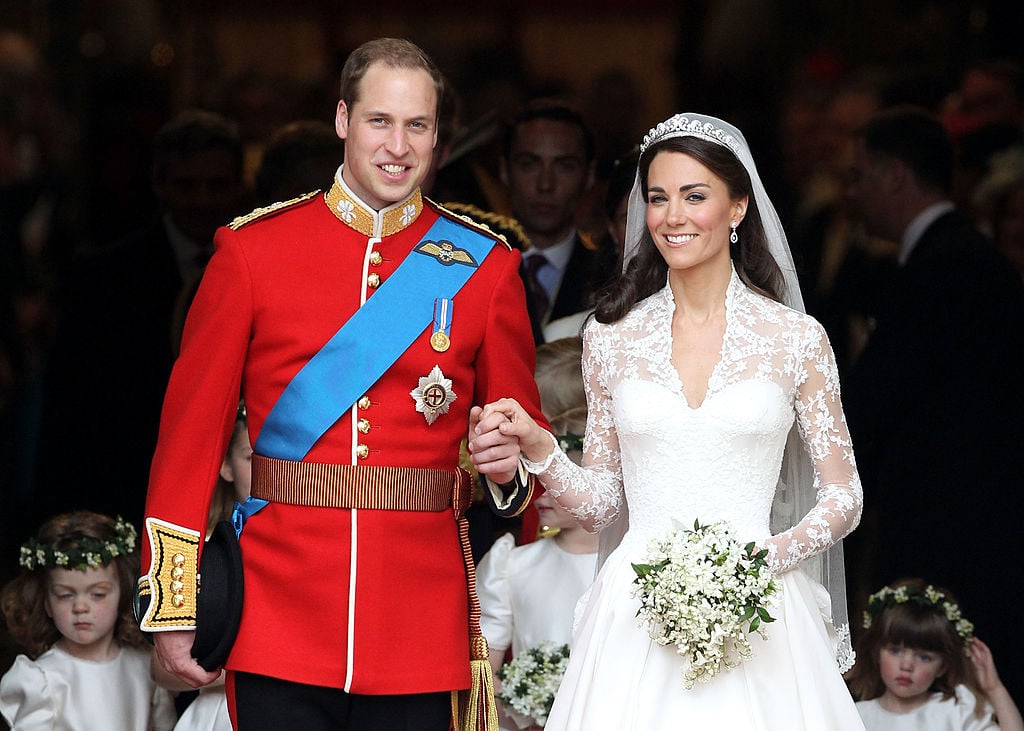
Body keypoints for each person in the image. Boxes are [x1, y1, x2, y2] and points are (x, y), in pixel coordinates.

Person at [136, 37, 545, 731]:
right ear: (342, 120)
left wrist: (508, 472)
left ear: (438, 137)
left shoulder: (486, 268)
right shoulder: (252, 252)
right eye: (379, 121)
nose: (398, 145)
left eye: (417, 125)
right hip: (277, 616)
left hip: (420, 623)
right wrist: (174, 606)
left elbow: (524, 460)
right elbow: (189, 442)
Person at [468, 112, 865, 729]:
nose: (672, 216)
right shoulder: (610, 337)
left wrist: (761, 562)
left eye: (694, 196)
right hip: (635, 610)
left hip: (761, 601)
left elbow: (844, 495)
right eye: (658, 198)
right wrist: (542, 448)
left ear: (738, 207)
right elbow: (602, 504)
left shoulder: (796, 338)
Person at [842, 106, 1024, 699]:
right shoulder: (958, 255)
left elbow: (877, 398)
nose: (851, 194)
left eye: (859, 176)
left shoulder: (944, 266)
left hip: (952, 528)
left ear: (895, 174)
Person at [36, 109, 248, 530]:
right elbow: (71, 409)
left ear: (241, 186)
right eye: (187, 185)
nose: (202, 200)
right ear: (159, 184)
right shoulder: (101, 278)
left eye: (217, 185)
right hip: (129, 491)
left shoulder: (269, 267)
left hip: (239, 496)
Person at [476, 337, 598, 730]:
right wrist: (525, 698)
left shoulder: (629, 564)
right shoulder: (510, 564)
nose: (540, 490)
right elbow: (483, 678)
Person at [0, 511, 177, 730]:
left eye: (98, 594)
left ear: (124, 594)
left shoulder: (145, 667)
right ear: (46, 602)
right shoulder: (41, 680)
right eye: (65, 595)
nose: (80, 607)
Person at [500, 99, 618, 342]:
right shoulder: (472, 265)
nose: (545, 184)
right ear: (504, 171)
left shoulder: (611, 277)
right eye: (529, 165)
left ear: (589, 175)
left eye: (565, 167)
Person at [847, 578, 1024, 731]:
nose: (906, 666)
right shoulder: (854, 715)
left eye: (924, 657)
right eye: (895, 651)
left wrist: (994, 688)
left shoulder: (956, 711)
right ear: (876, 653)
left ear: (942, 667)